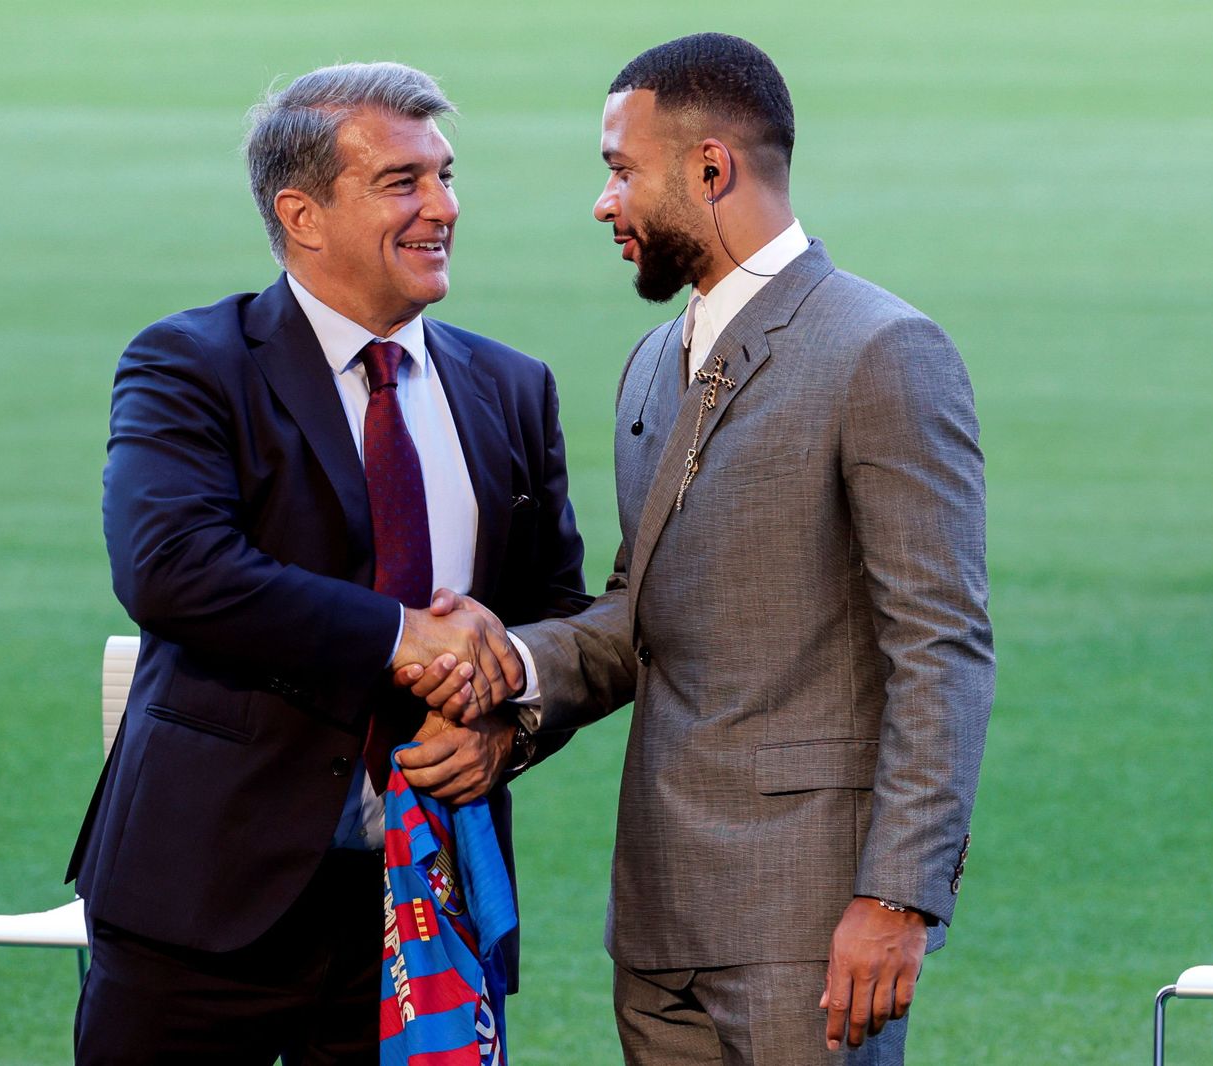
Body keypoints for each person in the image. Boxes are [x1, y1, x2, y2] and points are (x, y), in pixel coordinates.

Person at [405, 32, 992, 1065]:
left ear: (710, 168)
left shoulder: (882, 350)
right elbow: (642, 612)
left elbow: (940, 645)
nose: (604, 203)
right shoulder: (649, 364)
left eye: (619, 171)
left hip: (808, 926)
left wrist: (896, 894)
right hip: (658, 921)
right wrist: (513, 671)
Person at [64, 61, 588, 1064]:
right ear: (301, 214)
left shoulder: (513, 388)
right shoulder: (192, 364)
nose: (444, 206)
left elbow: (557, 619)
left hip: (424, 904)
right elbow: (172, 567)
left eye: (445, 175)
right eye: (404, 181)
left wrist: (510, 732)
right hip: (201, 902)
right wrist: (403, 637)